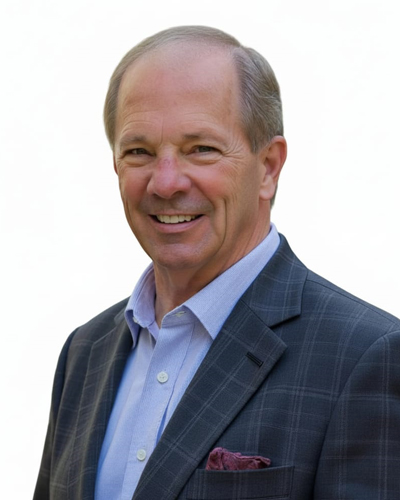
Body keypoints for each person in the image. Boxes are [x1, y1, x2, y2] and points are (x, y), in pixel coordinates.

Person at [34, 26, 400, 500]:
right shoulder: (84, 353)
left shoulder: (366, 357)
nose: (166, 182)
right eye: (139, 152)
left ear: (268, 167)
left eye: (201, 149)